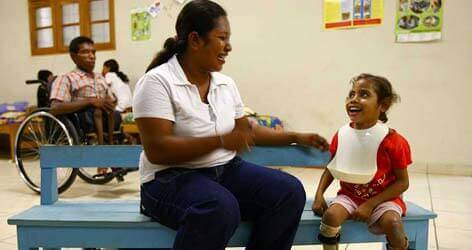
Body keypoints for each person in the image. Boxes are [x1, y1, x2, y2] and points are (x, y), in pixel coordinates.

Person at [133, 1, 329, 249]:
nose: (229, 46)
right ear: (195, 40)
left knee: (288, 192)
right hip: (168, 180)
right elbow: (157, 150)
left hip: (224, 170)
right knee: (218, 207)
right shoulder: (157, 82)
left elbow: (245, 130)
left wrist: (296, 136)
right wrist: (222, 141)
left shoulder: (224, 83)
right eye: (222, 37)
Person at [312, 74, 412, 250]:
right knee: (330, 218)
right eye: (351, 94)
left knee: (394, 224)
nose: (354, 99)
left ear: (383, 105)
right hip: (349, 196)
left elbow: (403, 182)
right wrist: (319, 195)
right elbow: (331, 168)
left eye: (364, 94)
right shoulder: (342, 135)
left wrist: (371, 204)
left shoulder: (394, 141)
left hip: (384, 200)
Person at [50, 36, 121, 175]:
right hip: (83, 119)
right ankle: (103, 156)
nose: (92, 56)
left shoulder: (100, 77)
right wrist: (90, 101)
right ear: (73, 56)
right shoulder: (66, 78)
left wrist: (112, 100)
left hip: (106, 117)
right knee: (95, 110)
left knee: (115, 113)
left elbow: (111, 99)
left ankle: (111, 151)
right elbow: (55, 108)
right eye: (86, 52)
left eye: (93, 52)